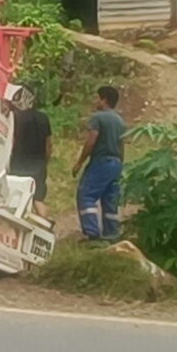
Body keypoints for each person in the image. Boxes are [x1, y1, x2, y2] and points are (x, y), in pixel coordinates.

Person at [71, 86, 126, 241]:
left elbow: (91, 142)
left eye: (98, 98)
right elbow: (122, 146)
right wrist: (120, 165)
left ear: (104, 100)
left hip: (101, 161)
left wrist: (80, 162)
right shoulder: (120, 121)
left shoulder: (98, 118)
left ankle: (92, 232)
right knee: (110, 199)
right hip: (116, 163)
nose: (96, 101)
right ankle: (112, 234)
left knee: (86, 194)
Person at [9, 91, 52, 218]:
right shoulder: (44, 118)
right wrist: (44, 162)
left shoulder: (14, 117)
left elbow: (11, 141)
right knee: (38, 200)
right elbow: (49, 145)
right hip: (38, 165)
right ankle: (46, 229)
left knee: (15, 200)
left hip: (18, 165)